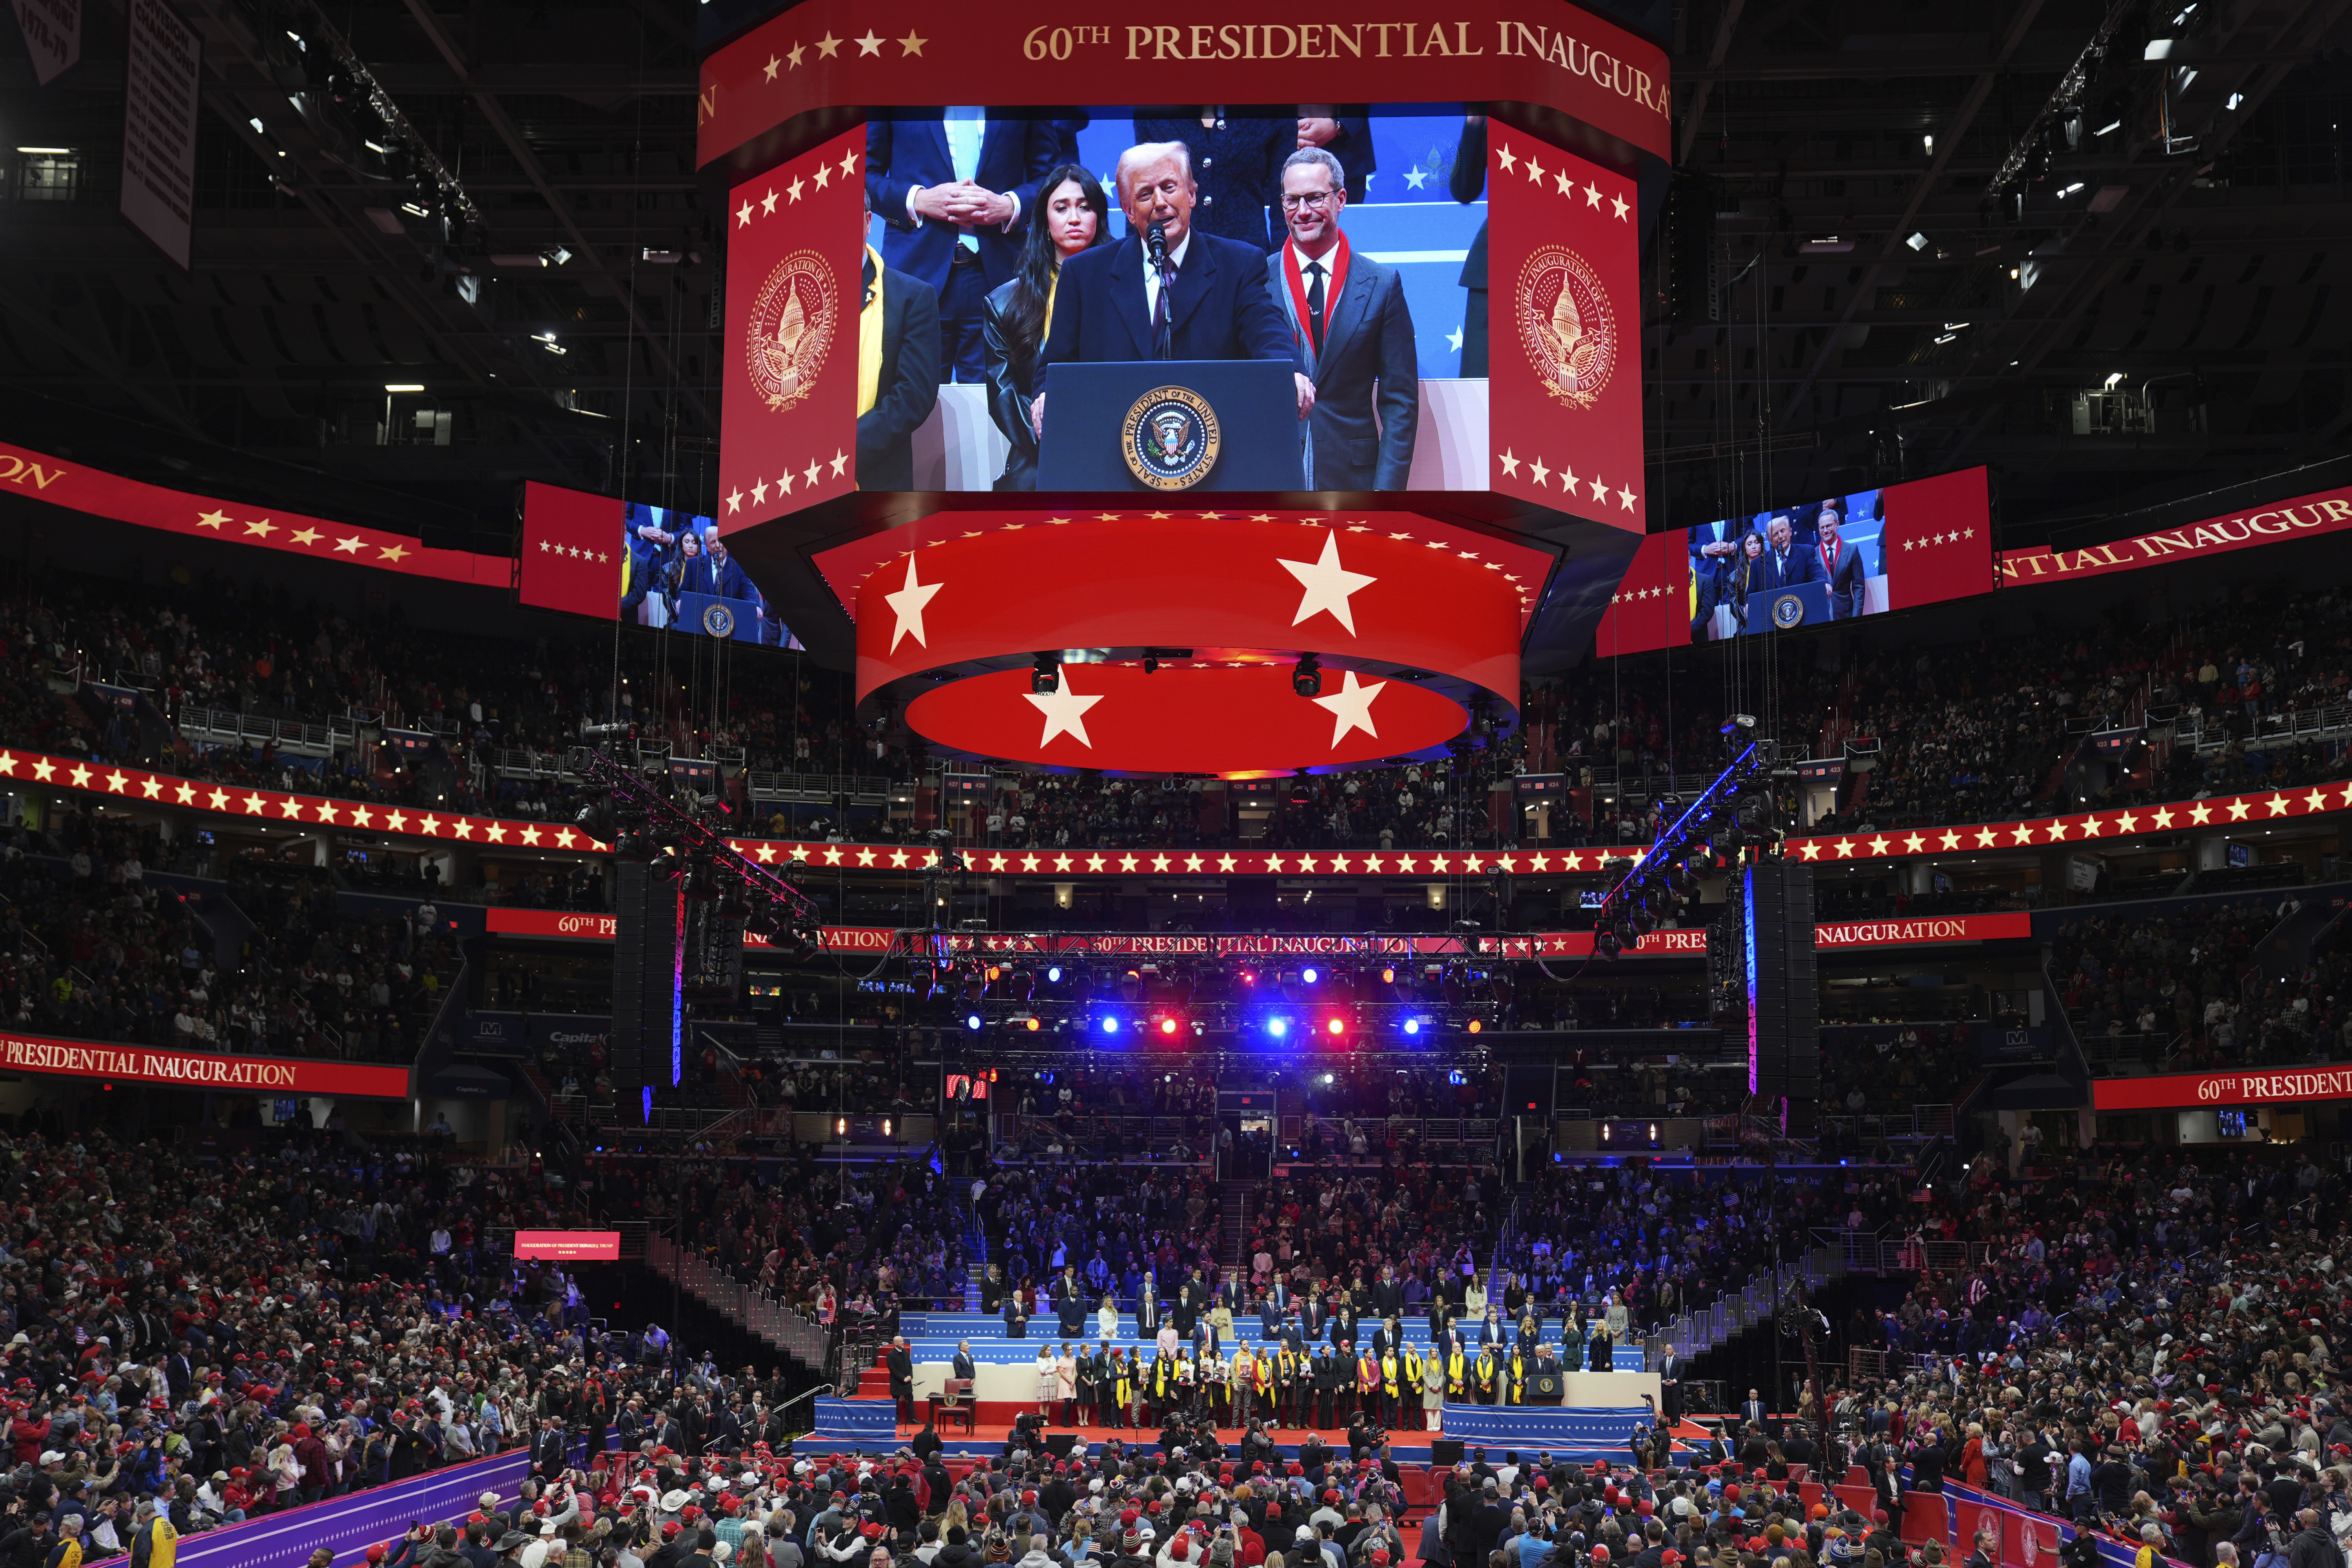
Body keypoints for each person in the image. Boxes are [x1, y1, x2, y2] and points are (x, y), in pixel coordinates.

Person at [1033, 142, 1303, 435]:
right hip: (1111, 444)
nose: (1159, 202)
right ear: (1128, 211)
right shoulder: (1085, 274)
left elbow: (1265, 329)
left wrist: (1289, 370)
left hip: (1213, 444)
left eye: (1169, 187)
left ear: (1191, 195)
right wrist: (1048, 394)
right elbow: (1054, 367)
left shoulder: (1239, 264)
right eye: (1145, 194)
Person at [864, 111, 1062, 382]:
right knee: (907, 403)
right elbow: (862, 172)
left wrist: (1010, 205)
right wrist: (918, 199)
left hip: (1001, 279)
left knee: (996, 409)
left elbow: (1051, 175)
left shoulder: (1021, 83)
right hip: (916, 275)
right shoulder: (896, 84)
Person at [1264, 147, 1418, 490]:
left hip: (1354, 484)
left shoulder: (1381, 284)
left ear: (1341, 199)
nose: (1303, 212)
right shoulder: (1257, 280)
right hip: (1271, 480)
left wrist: (1386, 495)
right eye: (1292, 200)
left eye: (1316, 198)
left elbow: (1400, 404)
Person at [855, 191, 943, 491]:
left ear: (868, 222)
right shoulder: (802, 296)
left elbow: (913, 397)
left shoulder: (912, 297)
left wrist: (842, 454)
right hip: (798, 477)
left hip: (875, 479)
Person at [1450, 114, 1489, 376]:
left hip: (1570, 258)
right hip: (1492, 272)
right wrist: (1476, 122)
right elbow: (1464, 189)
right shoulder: (1501, 114)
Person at [1816, 503, 1871, 618]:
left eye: (1829, 526)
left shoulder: (1852, 550)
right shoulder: (1813, 554)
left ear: (1837, 525)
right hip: (1821, 616)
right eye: (1822, 528)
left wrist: (1856, 617)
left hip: (1846, 615)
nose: (1825, 531)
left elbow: (1859, 588)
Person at [1758, 513, 1822, 591]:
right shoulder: (1759, 563)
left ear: (1790, 532)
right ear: (1770, 541)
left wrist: (1824, 583)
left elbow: (1816, 573)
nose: (1781, 536)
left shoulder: (1806, 553)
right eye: (1775, 535)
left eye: (1783, 531)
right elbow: (1750, 596)